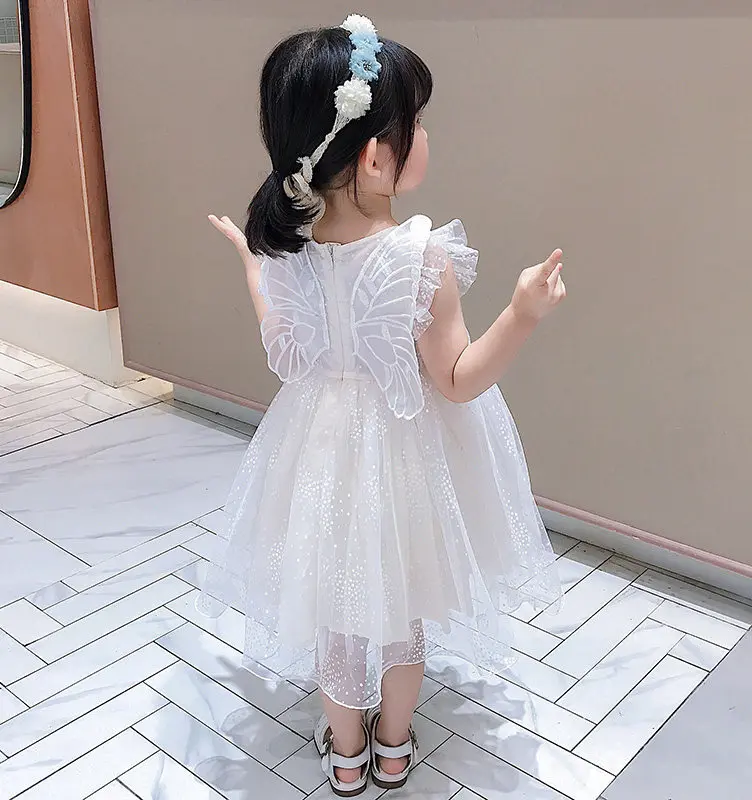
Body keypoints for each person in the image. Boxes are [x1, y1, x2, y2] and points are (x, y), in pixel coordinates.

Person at [203, 14, 564, 797]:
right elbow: (457, 379)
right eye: (415, 124)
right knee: (401, 612)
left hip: (317, 459)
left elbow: (282, 352)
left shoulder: (287, 255)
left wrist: (249, 262)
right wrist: (522, 314)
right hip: (404, 462)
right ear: (375, 156)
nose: (424, 136)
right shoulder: (419, 256)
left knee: (337, 614)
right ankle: (394, 750)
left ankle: (345, 757)